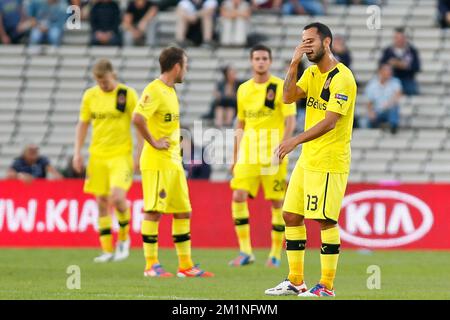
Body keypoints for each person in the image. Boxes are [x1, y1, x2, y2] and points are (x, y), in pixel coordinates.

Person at [265, 22, 357, 297]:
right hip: (309, 159)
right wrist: (294, 63)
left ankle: (327, 285)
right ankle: (296, 280)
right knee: (291, 215)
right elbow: (287, 96)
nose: (305, 46)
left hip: (329, 160)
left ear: (327, 42)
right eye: (302, 41)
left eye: (310, 41)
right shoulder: (312, 73)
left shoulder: (343, 78)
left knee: (325, 220)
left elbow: (330, 122)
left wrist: (295, 139)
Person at [132, 47, 214, 278]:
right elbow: (137, 118)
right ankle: (151, 265)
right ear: (177, 66)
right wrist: (153, 142)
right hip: (157, 162)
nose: (186, 71)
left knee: (182, 212)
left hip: (173, 162)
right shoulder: (154, 89)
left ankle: (185, 266)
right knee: (154, 211)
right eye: (185, 66)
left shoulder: (170, 91)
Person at [229, 44, 297, 268]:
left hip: (273, 156)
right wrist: (235, 155)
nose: (260, 62)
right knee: (238, 195)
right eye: (257, 58)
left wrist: (283, 147)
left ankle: (275, 254)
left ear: (270, 61)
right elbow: (240, 123)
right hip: (248, 154)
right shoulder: (243, 89)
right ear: (251, 61)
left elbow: (290, 121)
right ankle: (245, 251)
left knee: (277, 202)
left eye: (264, 58)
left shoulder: (280, 86)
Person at [73, 59, 141, 263]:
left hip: (121, 155)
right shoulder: (90, 95)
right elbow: (83, 124)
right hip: (97, 156)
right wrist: (77, 152)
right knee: (101, 201)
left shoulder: (126, 94)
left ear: (113, 75)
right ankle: (106, 250)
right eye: (99, 81)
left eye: (105, 80)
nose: (102, 85)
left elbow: (139, 124)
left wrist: (139, 153)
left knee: (117, 197)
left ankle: (123, 240)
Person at [379, 27, 420, 96]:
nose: (399, 40)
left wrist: (405, 66)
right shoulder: (388, 51)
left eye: (402, 38)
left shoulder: (412, 51)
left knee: (412, 90)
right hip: (391, 79)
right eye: (397, 38)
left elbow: (417, 67)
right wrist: (391, 64)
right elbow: (381, 65)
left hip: (407, 79)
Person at [365, 63, 402, 134]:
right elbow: (369, 102)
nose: (389, 72)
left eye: (390, 70)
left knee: (394, 108)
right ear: (380, 71)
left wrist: (388, 104)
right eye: (386, 70)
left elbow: (397, 95)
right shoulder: (372, 85)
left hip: (389, 110)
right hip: (377, 111)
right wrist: (371, 113)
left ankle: (393, 127)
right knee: (370, 118)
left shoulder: (395, 82)